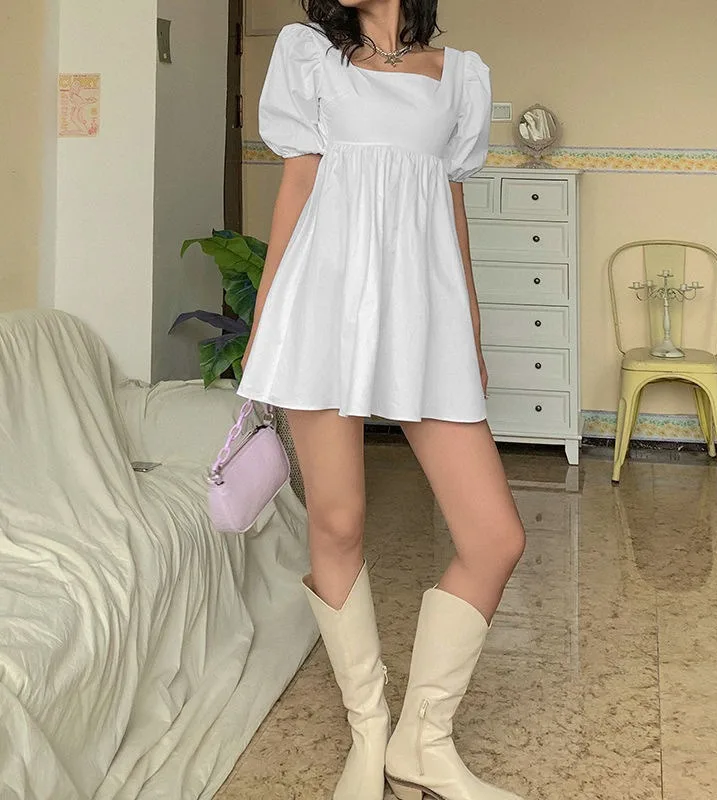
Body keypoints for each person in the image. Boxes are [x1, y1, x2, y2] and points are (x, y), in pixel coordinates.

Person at [237, 1, 526, 798]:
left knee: (495, 538)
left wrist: (469, 331)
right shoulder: (308, 56)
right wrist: (265, 329)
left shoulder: (460, 76)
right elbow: (298, 186)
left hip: (422, 314)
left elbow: (452, 207)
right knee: (338, 522)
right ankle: (369, 733)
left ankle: (423, 742)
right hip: (321, 307)